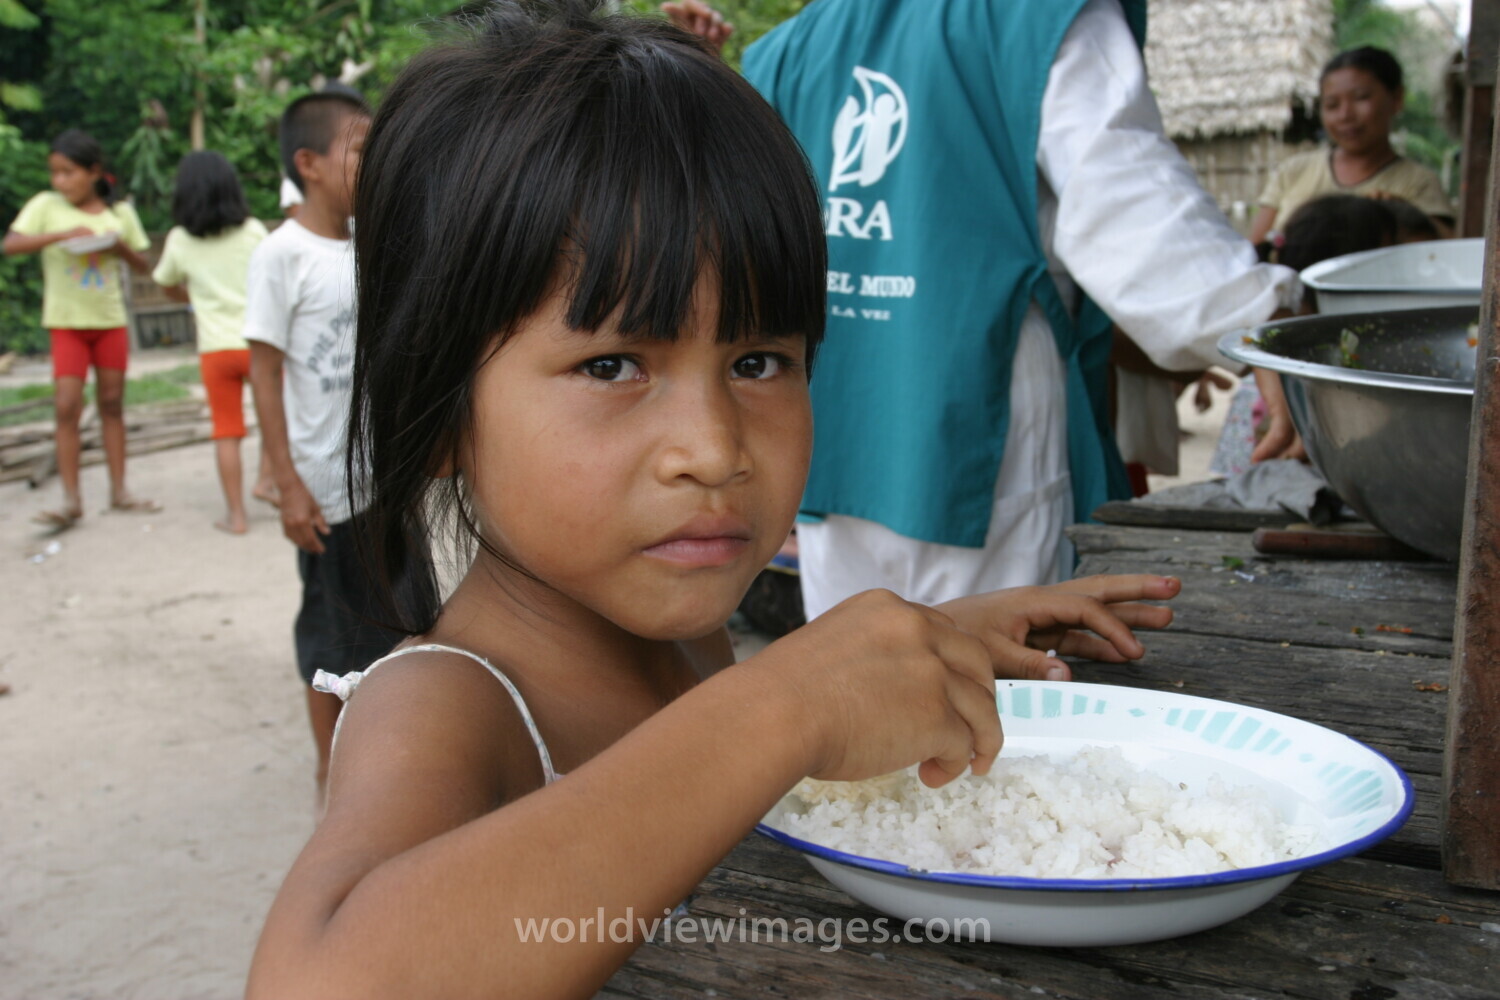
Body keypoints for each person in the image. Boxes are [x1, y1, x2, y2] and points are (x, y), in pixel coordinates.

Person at [244, 5, 1182, 995]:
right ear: (440, 417)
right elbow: (314, 977)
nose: (715, 448)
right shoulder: (446, 702)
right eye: (613, 363)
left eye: (759, 359)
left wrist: (929, 637)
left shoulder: (677, 639)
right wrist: (780, 703)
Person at [670, 0, 1302, 620]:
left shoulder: (788, 50)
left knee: (859, 678)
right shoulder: (1030, 16)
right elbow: (1134, 212)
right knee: (1004, 693)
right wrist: (1265, 325)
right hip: (983, 430)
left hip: (834, 431)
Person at [244, 82, 428, 801]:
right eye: (360, 147)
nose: (372, 160)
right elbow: (263, 371)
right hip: (324, 488)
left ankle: (385, 751)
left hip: (383, 478)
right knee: (331, 634)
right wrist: (286, 479)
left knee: (396, 618)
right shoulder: (280, 255)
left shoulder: (364, 248)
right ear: (310, 163)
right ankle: (335, 776)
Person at [3, 129, 160, 529]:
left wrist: (116, 247)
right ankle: (72, 500)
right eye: (55, 173)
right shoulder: (45, 206)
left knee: (112, 405)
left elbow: (143, 265)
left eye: (69, 173)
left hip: (109, 322)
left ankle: (120, 491)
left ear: (94, 172)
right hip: (66, 323)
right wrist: (60, 235)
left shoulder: (119, 212)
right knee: (66, 407)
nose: (60, 182)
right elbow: (11, 244)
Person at [152, 150, 276, 534]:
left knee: (226, 430)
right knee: (275, 419)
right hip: (258, 344)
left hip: (215, 349)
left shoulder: (178, 240)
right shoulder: (253, 231)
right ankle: (266, 481)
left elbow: (165, 283)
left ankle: (236, 516)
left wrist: (192, 299)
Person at [1250, 46, 1454, 245]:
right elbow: (1257, 249)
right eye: (1332, 105)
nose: (1345, 115)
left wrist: (1404, 214)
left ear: (1396, 98)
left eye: (1361, 98)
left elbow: (1446, 251)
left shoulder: (1418, 183)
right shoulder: (1293, 171)